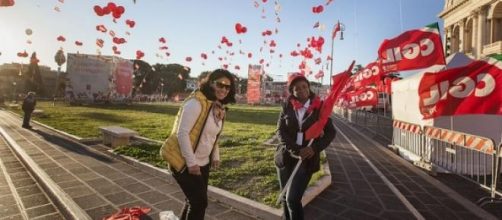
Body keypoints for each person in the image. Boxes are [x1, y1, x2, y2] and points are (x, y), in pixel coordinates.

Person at [160, 69, 236, 220]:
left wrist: (215, 155)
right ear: (210, 83)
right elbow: (182, 133)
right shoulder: (196, 102)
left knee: (194, 201)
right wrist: (191, 163)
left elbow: (213, 135)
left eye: (227, 87)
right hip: (183, 161)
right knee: (199, 203)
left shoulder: (217, 107)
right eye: (220, 84)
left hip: (203, 162)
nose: (223, 89)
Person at [275, 73, 336, 220]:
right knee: (285, 197)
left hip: (306, 160)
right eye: (296, 88)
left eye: (304, 86)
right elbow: (280, 131)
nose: (301, 90)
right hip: (286, 157)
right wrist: (296, 149)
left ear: (309, 87)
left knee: (293, 199)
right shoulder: (287, 106)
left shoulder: (320, 108)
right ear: (292, 92)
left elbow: (330, 132)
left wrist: (313, 148)